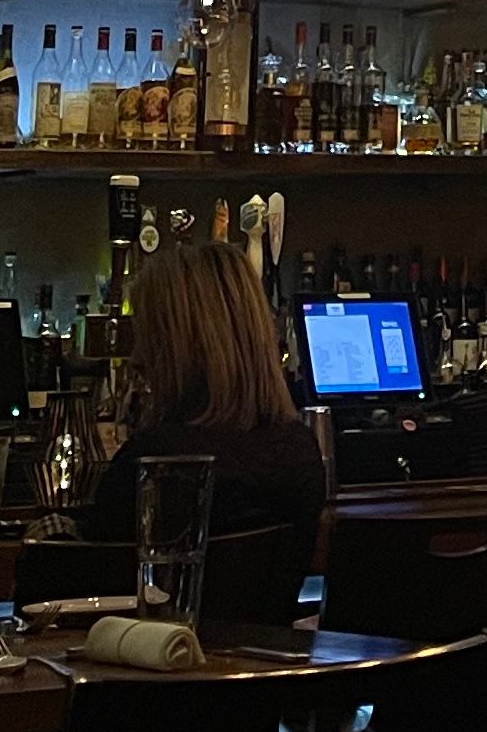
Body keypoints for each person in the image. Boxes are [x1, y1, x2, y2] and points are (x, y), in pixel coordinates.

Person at [79, 238, 326, 624]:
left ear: (174, 347)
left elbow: (75, 590)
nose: (137, 356)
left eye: (146, 335)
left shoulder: (153, 464)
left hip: (154, 659)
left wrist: (50, 532)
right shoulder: (300, 449)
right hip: (266, 658)